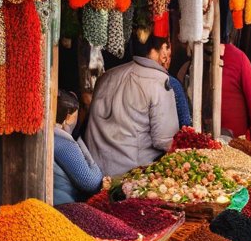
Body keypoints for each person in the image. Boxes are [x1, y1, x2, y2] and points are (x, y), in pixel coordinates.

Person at [84, 34, 179, 178]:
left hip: (95, 171)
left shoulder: (107, 76)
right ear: (161, 50)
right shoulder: (159, 81)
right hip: (133, 177)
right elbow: (165, 141)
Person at [53, 89, 104, 205]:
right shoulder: (61, 141)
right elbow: (91, 183)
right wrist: (79, 142)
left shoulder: (49, 135)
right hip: (62, 207)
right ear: (68, 117)